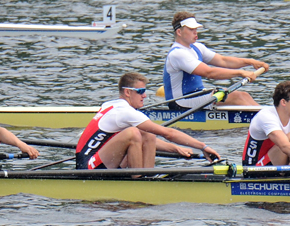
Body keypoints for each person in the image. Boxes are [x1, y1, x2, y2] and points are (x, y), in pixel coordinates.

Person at [76, 72, 220, 170]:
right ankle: (140, 180)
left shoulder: (110, 105)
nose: (144, 96)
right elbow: (168, 133)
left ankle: (146, 176)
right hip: (88, 167)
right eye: (140, 91)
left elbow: (149, 138)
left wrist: (175, 148)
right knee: (133, 133)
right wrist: (203, 147)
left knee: (147, 133)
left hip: (97, 158)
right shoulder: (125, 112)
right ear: (127, 92)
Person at [164, 11, 267, 108]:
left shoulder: (197, 47)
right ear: (179, 32)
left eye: (196, 29)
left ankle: (266, 116)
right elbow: (209, 73)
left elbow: (223, 60)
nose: (195, 32)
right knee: (237, 97)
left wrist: (251, 62)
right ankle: (264, 118)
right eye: (191, 29)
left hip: (197, 95)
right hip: (180, 102)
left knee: (244, 95)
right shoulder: (178, 54)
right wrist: (241, 73)